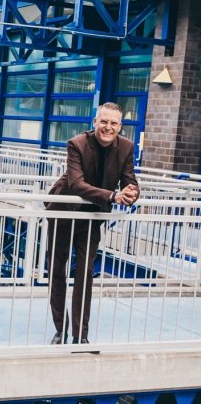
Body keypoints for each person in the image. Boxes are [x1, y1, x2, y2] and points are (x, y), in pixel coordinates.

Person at [45, 102, 140, 346]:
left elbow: (130, 181)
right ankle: (61, 329)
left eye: (114, 123)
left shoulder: (126, 147)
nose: (108, 127)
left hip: (92, 216)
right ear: (95, 122)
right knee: (57, 270)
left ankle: (80, 334)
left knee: (85, 273)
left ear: (120, 126)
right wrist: (112, 196)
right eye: (104, 122)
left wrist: (131, 193)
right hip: (64, 210)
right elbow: (76, 184)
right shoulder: (76, 144)